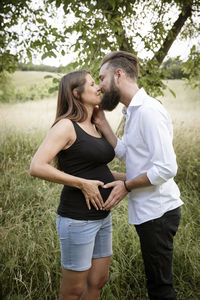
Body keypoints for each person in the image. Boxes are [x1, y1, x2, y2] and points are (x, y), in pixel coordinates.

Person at [93, 51, 184, 300]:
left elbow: (166, 167)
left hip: (158, 213)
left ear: (119, 74)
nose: (99, 86)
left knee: (160, 288)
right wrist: (102, 123)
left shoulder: (148, 112)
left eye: (102, 78)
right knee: (155, 282)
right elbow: (128, 154)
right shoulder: (132, 111)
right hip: (150, 212)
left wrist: (127, 185)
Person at [29, 70, 116, 300]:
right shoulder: (66, 126)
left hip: (102, 217)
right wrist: (82, 184)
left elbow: (96, 169)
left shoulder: (95, 125)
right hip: (77, 219)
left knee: (98, 281)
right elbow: (37, 166)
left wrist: (130, 178)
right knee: (73, 290)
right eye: (91, 84)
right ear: (76, 94)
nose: (98, 87)